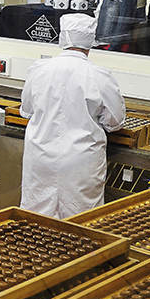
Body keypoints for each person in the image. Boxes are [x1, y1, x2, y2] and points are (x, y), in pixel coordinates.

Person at [20, 14, 125, 220]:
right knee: (81, 222)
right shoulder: (100, 76)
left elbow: (27, 110)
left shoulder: (39, 69)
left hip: (41, 157)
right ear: (90, 42)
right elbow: (115, 122)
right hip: (80, 162)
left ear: (62, 37)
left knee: (35, 220)